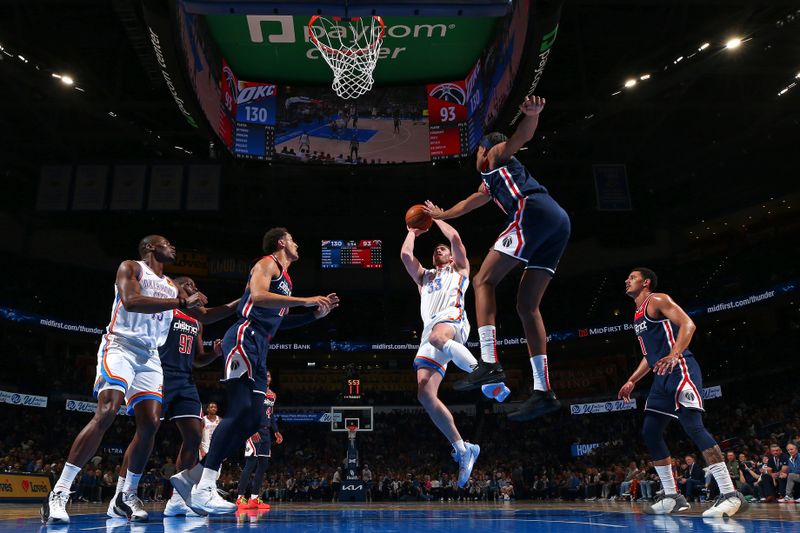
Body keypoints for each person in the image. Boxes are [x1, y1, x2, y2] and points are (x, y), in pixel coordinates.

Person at [41, 235, 207, 524]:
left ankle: (125, 496)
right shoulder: (131, 267)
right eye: (167, 243)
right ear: (150, 247)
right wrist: (180, 300)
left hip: (150, 356)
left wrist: (244, 303)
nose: (173, 247)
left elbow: (203, 314)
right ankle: (60, 492)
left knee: (151, 424)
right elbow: (130, 301)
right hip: (121, 346)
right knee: (107, 411)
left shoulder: (170, 285)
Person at [424, 95, 570, 422]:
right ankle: (543, 391)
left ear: (485, 152)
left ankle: (489, 363)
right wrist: (440, 214)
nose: (476, 157)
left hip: (531, 212)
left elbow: (520, 138)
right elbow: (468, 202)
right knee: (526, 306)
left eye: (477, 152)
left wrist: (530, 116)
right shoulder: (490, 183)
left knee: (482, 280)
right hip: (557, 222)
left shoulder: (498, 157)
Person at [185, 227, 339, 514]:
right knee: (241, 409)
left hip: (261, 345)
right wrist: (305, 301)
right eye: (292, 238)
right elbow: (257, 296)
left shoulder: (287, 281)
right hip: (244, 336)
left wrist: (313, 315)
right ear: (281, 242)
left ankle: (194, 476)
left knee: (254, 419)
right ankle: (205, 486)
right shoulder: (267, 263)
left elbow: (279, 322)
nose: (296, 243)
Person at [617, 267, 747, 517]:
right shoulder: (636, 315)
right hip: (660, 377)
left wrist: (675, 354)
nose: (627, 280)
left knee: (692, 425)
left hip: (680, 367)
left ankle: (731, 494)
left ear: (645, 282)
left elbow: (688, 324)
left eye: (632, 277)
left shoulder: (658, 299)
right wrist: (632, 380)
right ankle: (672, 496)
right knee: (650, 431)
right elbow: (649, 356)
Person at [400, 219, 484, 487]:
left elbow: (456, 238)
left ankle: (481, 372)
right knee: (424, 393)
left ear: (450, 256)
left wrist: (436, 218)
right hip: (429, 332)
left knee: (438, 336)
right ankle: (462, 448)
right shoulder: (424, 277)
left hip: (452, 320)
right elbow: (405, 255)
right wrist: (412, 232)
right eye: (436, 249)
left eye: (442, 249)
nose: (439, 250)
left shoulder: (459, 269)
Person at [236, 370, 283, 510]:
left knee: (263, 465)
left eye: (269, 375)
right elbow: (247, 412)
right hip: (253, 430)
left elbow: (271, 414)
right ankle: (240, 498)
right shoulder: (254, 391)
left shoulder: (273, 395)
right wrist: (251, 430)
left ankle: (254, 498)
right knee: (250, 464)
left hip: (266, 432)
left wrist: (276, 431)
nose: (267, 378)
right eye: (265, 375)